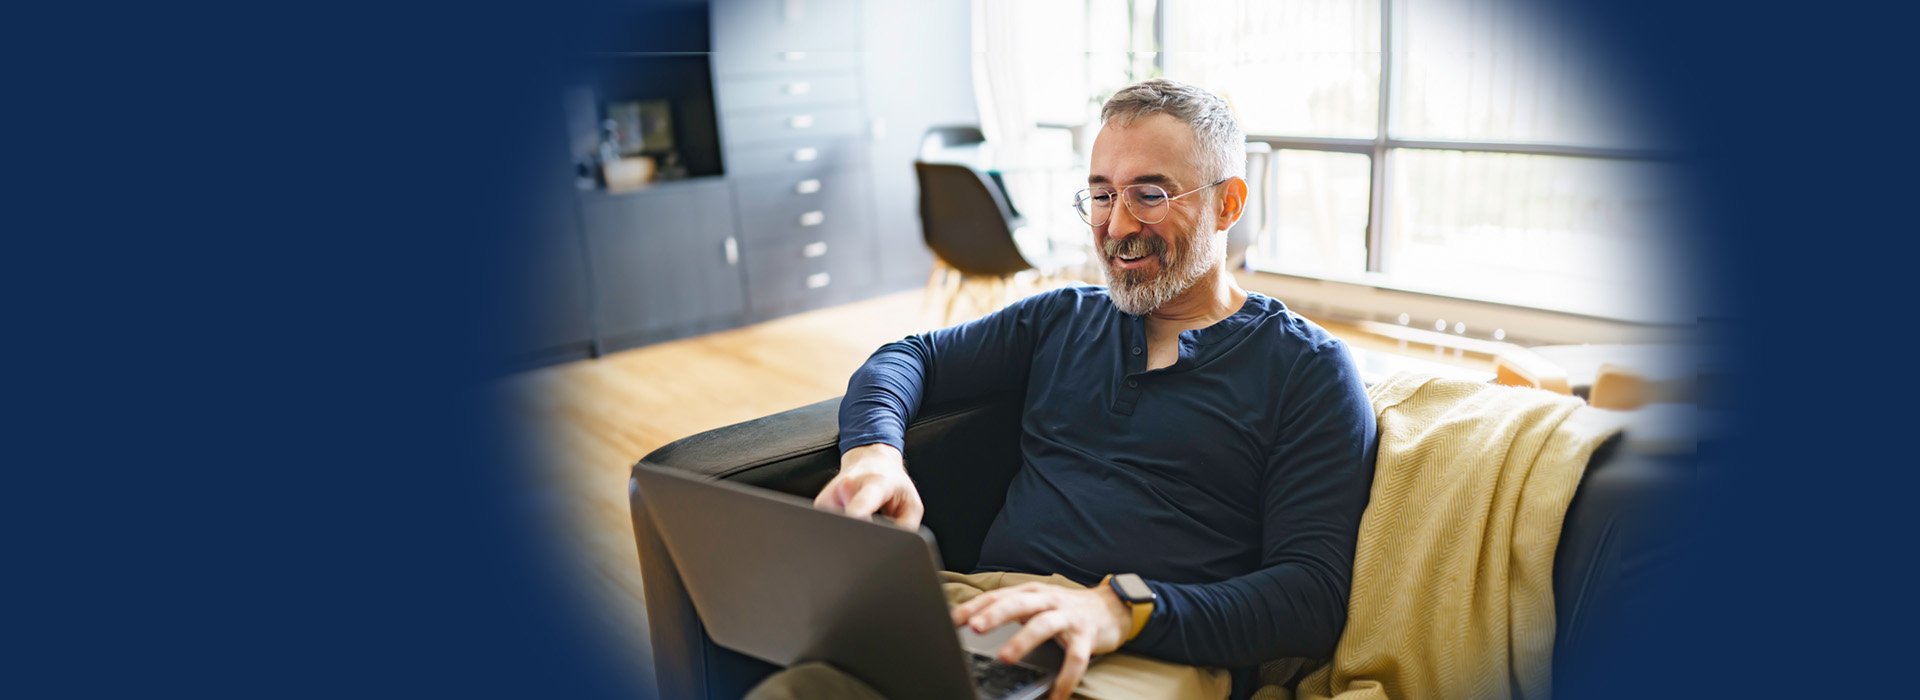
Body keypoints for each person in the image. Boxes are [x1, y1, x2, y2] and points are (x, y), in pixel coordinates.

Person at [751, 79, 1377, 700]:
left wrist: (1120, 608)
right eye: (1102, 195)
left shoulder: (1308, 369)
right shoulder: (1061, 317)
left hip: (1147, 646)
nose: (1117, 225)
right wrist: (875, 455)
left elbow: (1309, 594)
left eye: (1149, 194)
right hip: (983, 615)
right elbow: (910, 357)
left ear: (1228, 204)